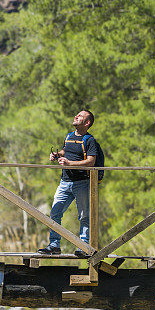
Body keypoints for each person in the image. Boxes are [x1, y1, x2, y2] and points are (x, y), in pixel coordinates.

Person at [38, 109, 98, 255]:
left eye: (80, 116)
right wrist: (57, 154)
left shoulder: (90, 140)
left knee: (84, 216)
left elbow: (91, 162)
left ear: (87, 122)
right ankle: (54, 245)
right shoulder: (69, 137)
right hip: (64, 182)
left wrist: (69, 163)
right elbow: (66, 151)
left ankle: (83, 247)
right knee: (55, 213)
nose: (76, 116)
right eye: (76, 114)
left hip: (82, 183)